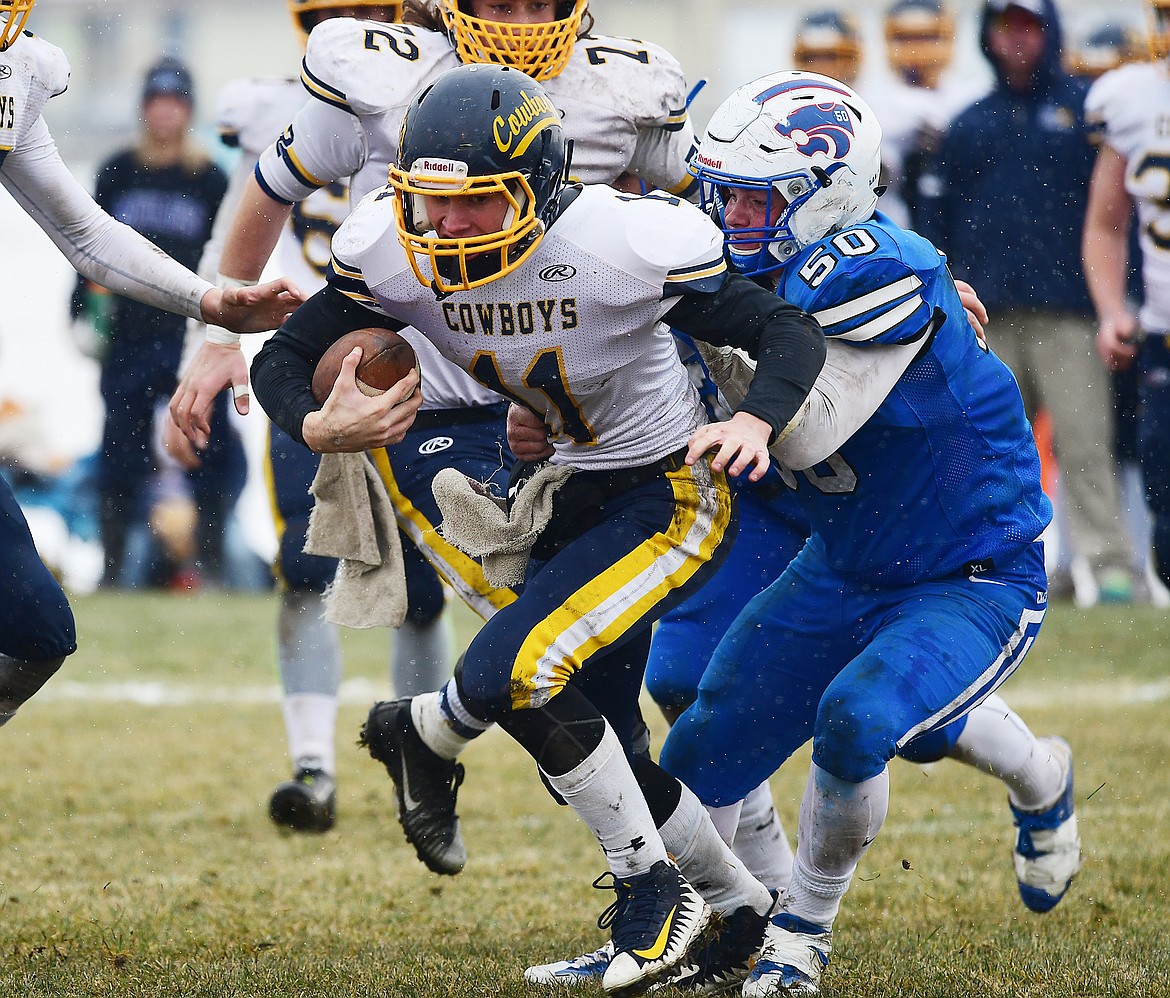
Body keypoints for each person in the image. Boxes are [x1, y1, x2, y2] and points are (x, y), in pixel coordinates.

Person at [250, 63, 827, 996]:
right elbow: (288, 352)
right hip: (562, 491)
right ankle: (741, 918)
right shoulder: (393, 249)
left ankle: (653, 892)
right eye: (429, 202)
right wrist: (318, 425)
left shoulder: (624, 240)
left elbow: (785, 330)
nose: (444, 226)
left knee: (514, 672)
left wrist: (753, 420)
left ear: (538, 187)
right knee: (606, 740)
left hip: (668, 492)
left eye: (474, 204)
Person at [167, 0, 702, 837]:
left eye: (538, 3)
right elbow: (271, 186)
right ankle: (687, 887)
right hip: (440, 407)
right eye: (498, 2)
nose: (521, 21)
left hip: (590, 424)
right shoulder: (383, 72)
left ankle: (706, 887)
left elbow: (730, 214)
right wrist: (214, 331)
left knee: (588, 678)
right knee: (539, 664)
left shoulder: (623, 83)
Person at [652, 70, 1081, 996]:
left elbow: (805, 429)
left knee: (863, 721)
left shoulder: (874, 266)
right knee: (697, 751)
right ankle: (700, 929)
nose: (732, 223)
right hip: (840, 560)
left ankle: (804, 930)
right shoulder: (753, 268)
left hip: (970, 571)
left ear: (830, 194)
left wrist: (699, 338)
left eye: (758, 202)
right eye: (722, 197)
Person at [0, 0, 301, 731]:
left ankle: (203, 568)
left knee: (37, 633)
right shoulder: (119, 158)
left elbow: (87, 235)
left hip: (160, 344)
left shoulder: (17, 74)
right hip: (129, 356)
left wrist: (210, 304)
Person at [165, 0, 406, 833]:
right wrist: (215, 336)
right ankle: (314, 764)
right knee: (307, 569)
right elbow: (243, 222)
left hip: (418, 354)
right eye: (334, 15)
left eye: (367, 13)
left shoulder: (439, 85)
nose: (351, 32)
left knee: (426, 583)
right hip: (302, 355)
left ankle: (425, 759)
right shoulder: (273, 107)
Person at [915, 0, 1135, 606]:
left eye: (1029, 26)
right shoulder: (968, 124)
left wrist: (1122, 298)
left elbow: (1119, 214)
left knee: (1086, 443)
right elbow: (936, 220)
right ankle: (996, 566)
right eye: (1005, 26)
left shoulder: (1084, 113)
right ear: (987, 35)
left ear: (1050, 31)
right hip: (987, 315)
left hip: (1069, 313)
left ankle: (1109, 565)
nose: (1016, 39)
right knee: (987, 448)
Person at [72, 57, 245, 590]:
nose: (165, 112)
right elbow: (83, 246)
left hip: (186, 335)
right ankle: (111, 570)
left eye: (175, 102)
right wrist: (80, 311)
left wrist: (225, 330)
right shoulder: (118, 171)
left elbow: (229, 258)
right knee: (119, 450)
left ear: (187, 110)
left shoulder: (209, 177)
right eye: (157, 101)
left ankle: (211, 565)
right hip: (128, 336)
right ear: (145, 108)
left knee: (206, 443)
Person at [1082, 0, 1170, 598]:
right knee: (1165, 501)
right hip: (1165, 333)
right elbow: (1106, 224)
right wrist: (1113, 310)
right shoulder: (1132, 98)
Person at [862, 0, 986, 229]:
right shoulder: (870, 103)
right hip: (896, 229)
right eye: (905, 38)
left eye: (927, 37)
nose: (916, 48)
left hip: (963, 226)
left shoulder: (972, 98)